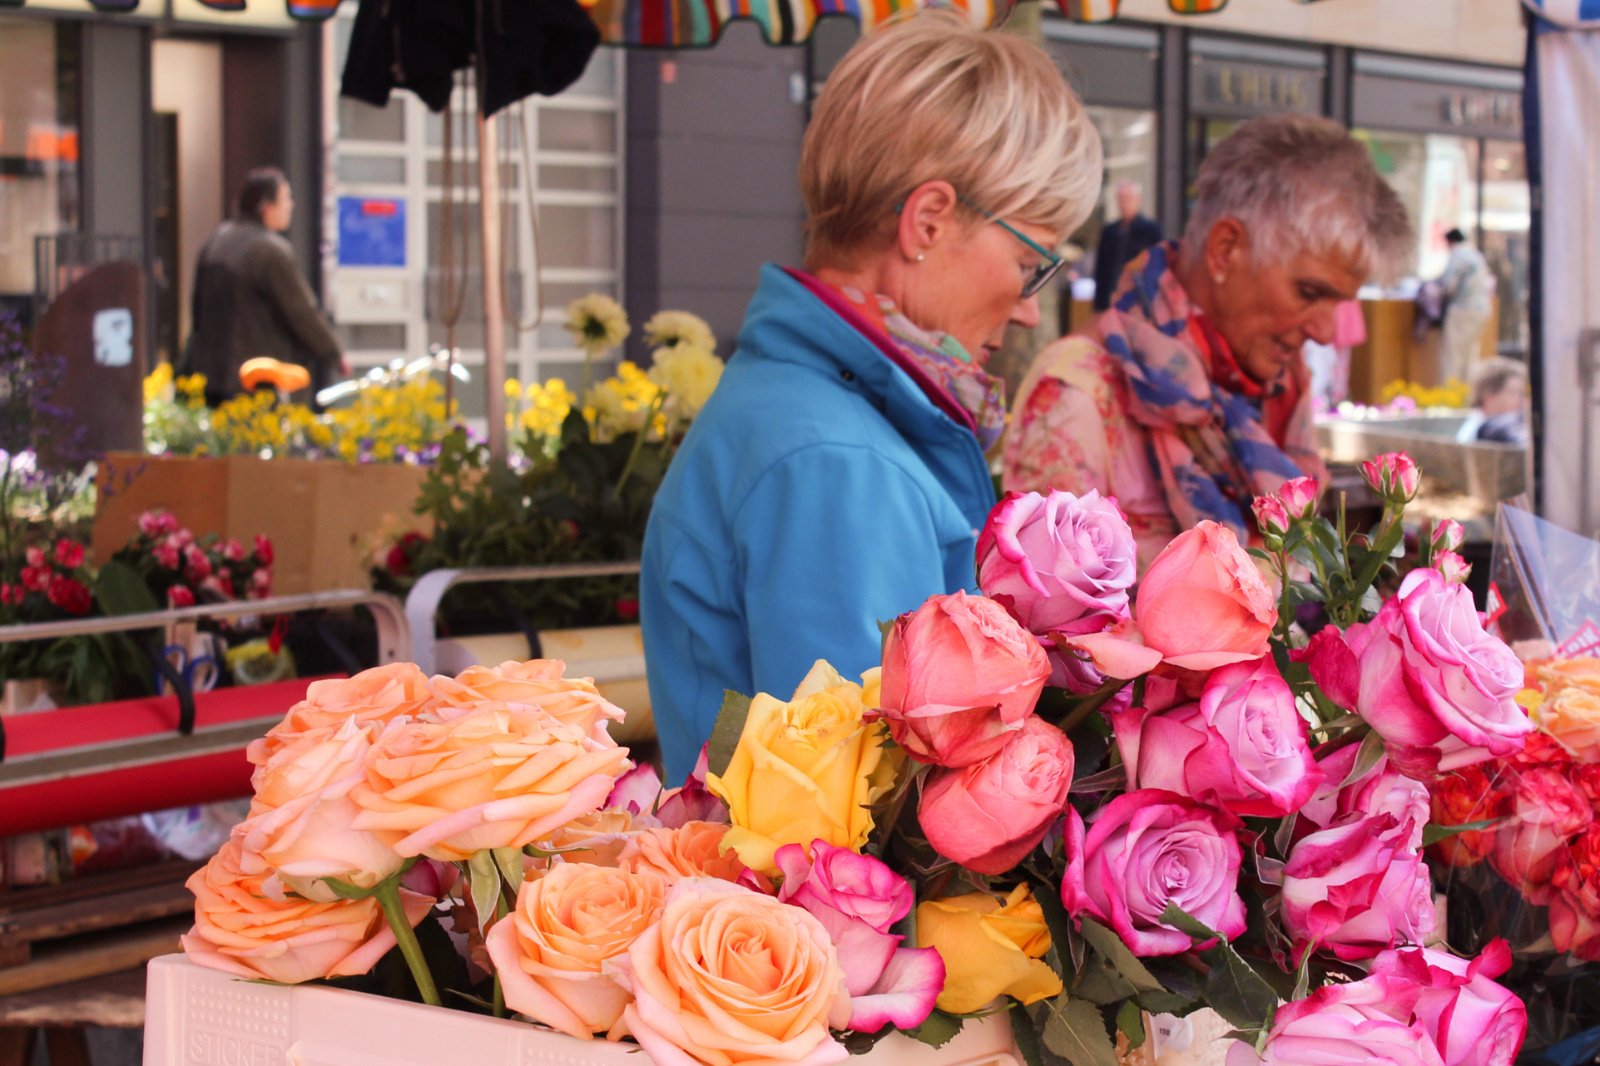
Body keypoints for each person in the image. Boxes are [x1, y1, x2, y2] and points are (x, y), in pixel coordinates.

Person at [639, 12, 1102, 783]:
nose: (1027, 306)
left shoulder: (810, 413)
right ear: (927, 221)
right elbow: (863, 810)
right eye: (1031, 261)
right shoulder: (839, 460)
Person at [1004, 114, 1411, 573]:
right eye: (1310, 293)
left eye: (1338, 303)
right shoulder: (1078, 390)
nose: (1323, 331)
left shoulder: (1276, 384)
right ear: (1225, 250)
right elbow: (1047, 624)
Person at [181, 167, 348, 406]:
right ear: (266, 207)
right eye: (286, 198)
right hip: (257, 376)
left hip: (210, 373)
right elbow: (301, 311)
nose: (291, 205)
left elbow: (196, 308)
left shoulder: (217, 239)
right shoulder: (269, 250)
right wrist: (333, 353)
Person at [1092, 182, 1164, 312]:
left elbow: (1156, 267)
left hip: (1139, 297)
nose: (1124, 204)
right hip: (1111, 296)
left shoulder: (1150, 230)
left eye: (1128, 199)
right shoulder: (1110, 231)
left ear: (1138, 200)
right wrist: (1099, 303)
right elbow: (1101, 270)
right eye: (1121, 200)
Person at [1436, 227, 1494, 386]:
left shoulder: (1457, 255)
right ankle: (1467, 396)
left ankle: (1450, 398)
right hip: (1482, 309)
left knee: (1453, 356)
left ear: (1450, 241)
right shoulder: (1475, 255)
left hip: (1462, 309)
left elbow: (1448, 285)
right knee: (1470, 355)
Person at [1456, 357, 1530, 447]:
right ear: (1489, 397)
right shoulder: (1482, 429)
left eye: (1523, 393)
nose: (1523, 400)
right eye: (1513, 393)